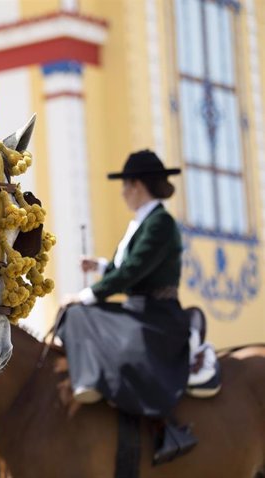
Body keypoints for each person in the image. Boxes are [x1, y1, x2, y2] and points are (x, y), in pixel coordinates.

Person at [57, 149, 219, 465]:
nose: (122, 193)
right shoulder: (143, 223)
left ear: (137, 186)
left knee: (79, 311)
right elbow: (127, 267)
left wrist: (87, 294)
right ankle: (89, 379)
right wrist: (102, 266)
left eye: (124, 185)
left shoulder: (161, 224)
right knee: (76, 315)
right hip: (136, 308)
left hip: (157, 315)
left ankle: (159, 422)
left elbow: (133, 272)